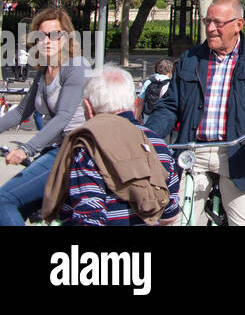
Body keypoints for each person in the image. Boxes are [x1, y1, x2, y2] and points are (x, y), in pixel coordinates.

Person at [145, 0, 245, 227]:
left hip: (240, 153)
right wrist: (147, 136)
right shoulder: (189, 59)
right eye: (207, 21)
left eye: (218, 23)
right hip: (193, 153)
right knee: (174, 221)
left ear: (238, 24)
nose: (211, 28)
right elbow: (170, 106)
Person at [44, 65, 180, 226]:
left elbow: (88, 216)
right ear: (132, 102)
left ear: (88, 107)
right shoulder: (157, 143)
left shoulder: (89, 144)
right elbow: (169, 214)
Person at [0, 7, 89, 226]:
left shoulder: (75, 67)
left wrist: (25, 149)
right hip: (55, 150)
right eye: (41, 36)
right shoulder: (43, 73)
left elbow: (64, 116)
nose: (47, 41)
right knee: (20, 207)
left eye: (54, 35)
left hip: (73, 150)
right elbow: (22, 112)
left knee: (4, 200)